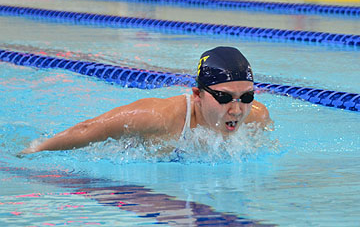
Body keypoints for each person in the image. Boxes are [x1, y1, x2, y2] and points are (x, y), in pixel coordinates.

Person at [21, 46, 271, 154]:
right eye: (224, 97)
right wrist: (34, 151)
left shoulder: (257, 117)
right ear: (197, 95)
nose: (237, 110)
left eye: (246, 96)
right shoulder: (158, 118)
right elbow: (88, 129)